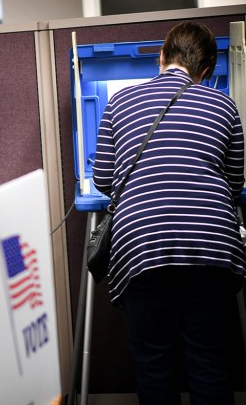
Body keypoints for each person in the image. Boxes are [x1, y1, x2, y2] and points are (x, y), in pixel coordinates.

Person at [92, 21, 246, 404]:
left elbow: (103, 179)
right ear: (206, 71)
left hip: (141, 244)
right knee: (209, 360)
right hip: (211, 245)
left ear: (161, 58)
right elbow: (234, 182)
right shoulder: (224, 103)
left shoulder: (120, 101)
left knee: (154, 363)